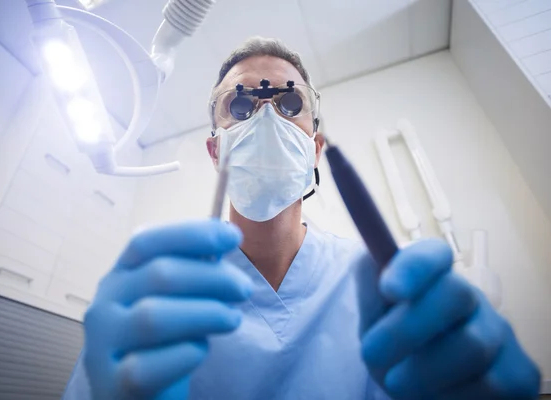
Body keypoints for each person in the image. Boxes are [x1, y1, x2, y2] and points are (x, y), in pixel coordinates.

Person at [63, 37, 541, 400]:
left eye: (290, 104)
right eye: (241, 104)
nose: (266, 116)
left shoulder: (372, 284)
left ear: (314, 146)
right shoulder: (160, 295)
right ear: (215, 149)